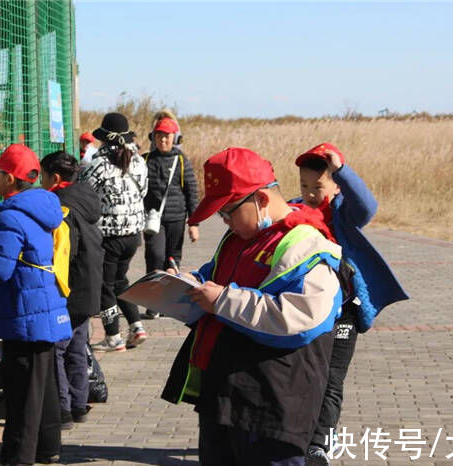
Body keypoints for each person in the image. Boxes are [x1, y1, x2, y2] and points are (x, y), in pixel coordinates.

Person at [161, 147, 344, 466]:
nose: (226, 221)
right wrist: (186, 282)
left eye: (229, 211)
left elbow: (302, 318)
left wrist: (222, 301)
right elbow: (215, 275)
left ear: (260, 200)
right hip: (225, 402)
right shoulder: (238, 239)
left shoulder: (306, 244)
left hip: (273, 408)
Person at [291, 142, 409, 465]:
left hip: (344, 312)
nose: (310, 193)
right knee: (304, 377)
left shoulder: (343, 212)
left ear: (334, 185)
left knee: (332, 379)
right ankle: (295, 437)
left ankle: (319, 445)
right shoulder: (294, 211)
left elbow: (368, 206)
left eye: (318, 186)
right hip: (306, 311)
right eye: (304, 185)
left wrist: (342, 169)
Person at [0, 143, 72, 465]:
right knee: (42, 388)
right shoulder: (43, 207)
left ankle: (16, 458)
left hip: (23, 313)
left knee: (21, 396)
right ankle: (47, 448)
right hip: (42, 308)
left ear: (11, 178)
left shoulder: (10, 216)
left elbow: (0, 269)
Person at [40, 150, 103, 430]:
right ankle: (79, 405)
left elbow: (66, 251)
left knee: (58, 349)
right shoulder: (86, 198)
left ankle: (62, 409)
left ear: (54, 177)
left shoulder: (59, 206)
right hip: (89, 285)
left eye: (42, 176)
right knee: (78, 346)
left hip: (70, 287)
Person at [78, 112, 149, 352]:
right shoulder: (139, 161)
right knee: (120, 281)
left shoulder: (100, 164)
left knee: (104, 286)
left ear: (104, 138)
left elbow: (83, 192)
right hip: (133, 235)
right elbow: (144, 191)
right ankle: (137, 326)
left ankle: (113, 337)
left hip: (109, 235)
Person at [142, 113, 199, 319]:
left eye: (167, 136)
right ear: (153, 137)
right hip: (152, 221)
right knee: (154, 255)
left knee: (172, 259)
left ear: (174, 138)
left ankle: (168, 301)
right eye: (159, 136)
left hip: (176, 218)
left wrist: (194, 222)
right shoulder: (145, 160)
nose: (163, 140)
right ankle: (152, 301)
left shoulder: (181, 161)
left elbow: (191, 191)